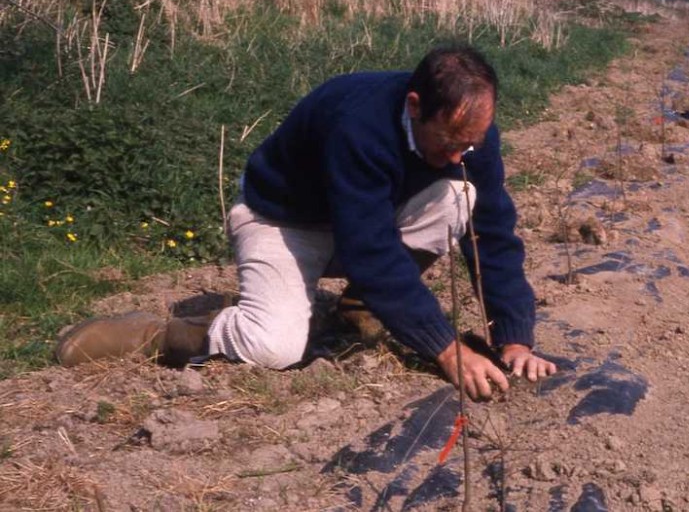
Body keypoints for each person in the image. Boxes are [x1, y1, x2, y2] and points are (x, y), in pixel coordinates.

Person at [56, 45, 557, 400]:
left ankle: (360, 304)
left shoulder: (470, 136)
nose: (456, 155)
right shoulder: (359, 126)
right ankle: (156, 336)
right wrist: (444, 348)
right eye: (447, 142)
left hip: (357, 224)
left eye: (467, 145)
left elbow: (490, 234)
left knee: (460, 196)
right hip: (282, 221)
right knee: (275, 346)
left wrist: (514, 336)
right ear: (415, 106)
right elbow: (371, 249)